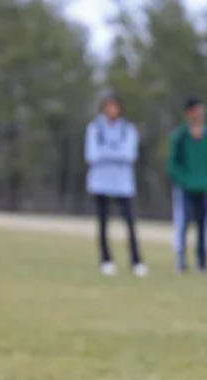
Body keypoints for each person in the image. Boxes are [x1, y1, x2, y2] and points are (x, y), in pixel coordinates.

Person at [85, 94, 146, 277]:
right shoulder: (95, 127)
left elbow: (129, 155)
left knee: (130, 222)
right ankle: (106, 260)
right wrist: (115, 153)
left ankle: (136, 261)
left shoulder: (128, 129)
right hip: (100, 182)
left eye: (115, 107)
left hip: (123, 183)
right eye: (108, 107)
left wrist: (107, 153)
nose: (112, 110)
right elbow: (92, 155)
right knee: (103, 223)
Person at [168, 96, 207, 273]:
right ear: (189, 113)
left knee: (203, 225)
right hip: (185, 188)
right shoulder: (181, 136)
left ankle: (202, 262)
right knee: (183, 224)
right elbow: (172, 163)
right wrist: (183, 179)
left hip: (204, 188)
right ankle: (181, 260)